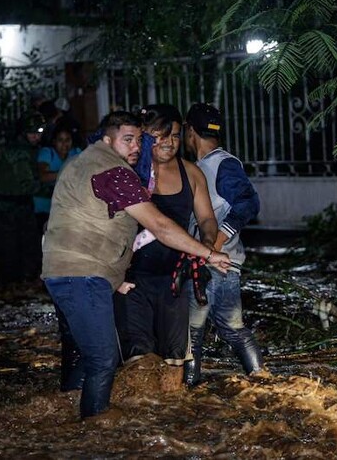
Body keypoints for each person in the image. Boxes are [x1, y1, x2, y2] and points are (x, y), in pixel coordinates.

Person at [41, 110, 231, 420]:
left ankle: (80, 424)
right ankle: (93, 426)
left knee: (91, 356)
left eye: (137, 140)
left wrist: (115, 277)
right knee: (105, 359)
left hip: (96, 274)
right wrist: (210, 255)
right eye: (129, 140)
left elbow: (91, 224)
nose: (136, 147)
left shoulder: (86, 163)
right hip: (91, 277)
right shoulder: (117, 172)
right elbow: (159, 226)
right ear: (107, 140)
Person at [113, 104, 217, 371]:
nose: (170, 143)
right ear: (144, 135)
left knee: (173, 363)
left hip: (174, 282)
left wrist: (206, 244)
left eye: (175, 136)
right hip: (131, 282)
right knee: (138, 362)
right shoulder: (127, 173)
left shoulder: (192, 173)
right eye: (161, 135)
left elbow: (206, 218)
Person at [182, 102, 265, 386]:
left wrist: (216, 240)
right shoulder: (203, 166)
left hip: (214, 263)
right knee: (231, 327)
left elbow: (249, 201)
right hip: (221, 262)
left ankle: (190, 390)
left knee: (192, 332)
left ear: (190, 132)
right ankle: (261, 381)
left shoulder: (222, 164)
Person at [0, 112, 45, 286]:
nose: (36, 136)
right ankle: (12, 285)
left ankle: (22, 282)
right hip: (5, 207)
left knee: (29, 248)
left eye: (39, 132)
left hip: (22, 205)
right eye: (32, 133)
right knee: (11, 251)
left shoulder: (31, 149)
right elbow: (27, 184)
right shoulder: (18, 151)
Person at [34, 122, 83, 231]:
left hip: (68, 208)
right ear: (54, 141)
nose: (64, 144)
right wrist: (68, 173)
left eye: (67, 140)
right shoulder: (47, 153)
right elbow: (43, 176)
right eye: (60, 140)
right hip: (45, 208)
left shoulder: (76, 153)